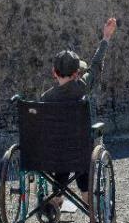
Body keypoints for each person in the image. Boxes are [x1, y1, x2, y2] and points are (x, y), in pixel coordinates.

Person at [41, 17, 117, 205]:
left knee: (62, 149)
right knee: (81, 150)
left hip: (53, 154)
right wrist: (105, 38)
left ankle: (56, 197)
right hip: (80, 152)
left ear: (54, 72)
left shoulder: (45, 98)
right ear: (76, 73)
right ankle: (86, 196)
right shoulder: (82, 87)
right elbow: (96, 66)